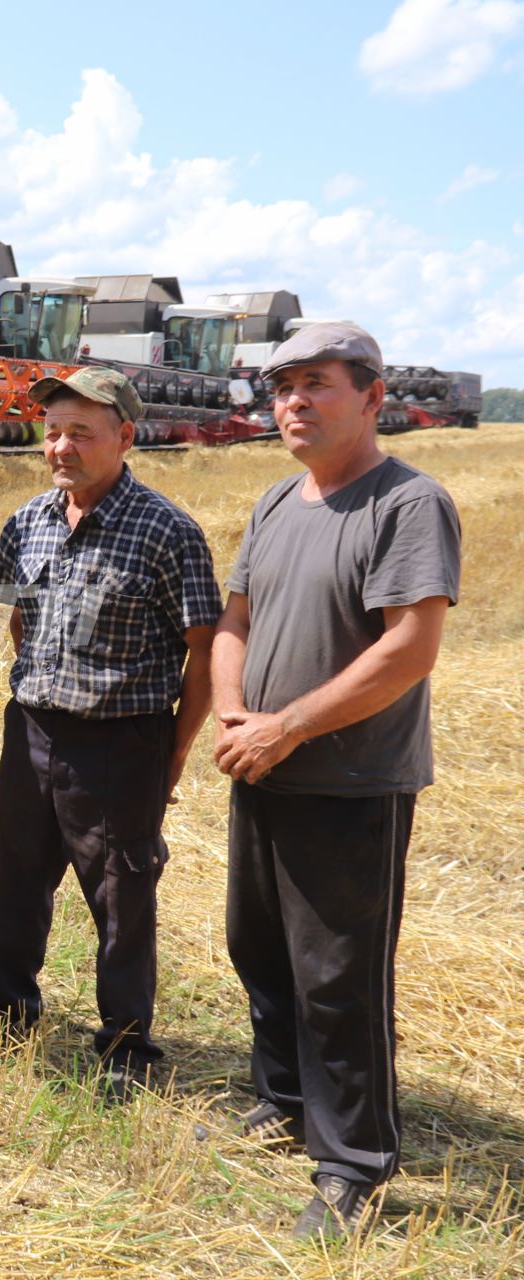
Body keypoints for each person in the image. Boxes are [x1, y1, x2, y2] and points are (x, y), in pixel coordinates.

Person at [212, 321, 460, 1240]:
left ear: (371, 397)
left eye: (317, 383)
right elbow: (234, 619)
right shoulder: (280, 501)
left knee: (338, 977)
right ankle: (284, 1102)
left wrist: (290, 726)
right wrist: (237, 713)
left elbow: (411, 646)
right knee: (260, 949)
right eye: (282, 388)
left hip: (351, 780)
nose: (294, 403)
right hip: (263, 765)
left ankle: (354, 1161)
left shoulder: (407, 504)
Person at [0, 367, 219, 1089]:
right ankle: (8, 1014)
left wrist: (171, 756)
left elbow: (203, 651)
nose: (60, 448)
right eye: (52, 432)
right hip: (32, 731)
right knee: (12, 878)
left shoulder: (167, 531)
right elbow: (18, 617)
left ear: (125, 437)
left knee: (121, 894)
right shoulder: (27, 521)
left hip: (121, 741)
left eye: (80, 432)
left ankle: (127, 1046)